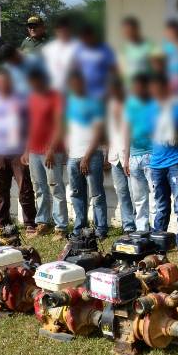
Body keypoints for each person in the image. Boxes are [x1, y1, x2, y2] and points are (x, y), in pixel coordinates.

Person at [0, 69, 37, 234]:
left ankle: (30, 223)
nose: (1, 85)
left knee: (25, 188)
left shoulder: (21, 99)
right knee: (0, 188)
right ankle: (2, 222)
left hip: (18, 152)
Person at [149, 73, 178, 249]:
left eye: (156, 87)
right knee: (160, 205)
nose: (153, 91)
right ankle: (159, 242)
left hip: (176, 161)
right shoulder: (151, 108)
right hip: (156, 163)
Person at [24, 69, 68, 239]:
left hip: (51, 151)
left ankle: (61, 227)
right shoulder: (32, 98)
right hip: (34, 151)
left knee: (56, 187)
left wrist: (51, 148)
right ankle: (43, 222)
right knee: (39, 187)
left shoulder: (56, 97)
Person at [65, 71, 107, 239]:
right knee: (76, 194)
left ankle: (100, 229)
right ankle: (80, 228)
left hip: (91, 155)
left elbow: (98, 132)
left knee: (96, 194)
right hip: (73, 156)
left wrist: (86, 157)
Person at [123, 73, 157, 232]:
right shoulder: (130, 105)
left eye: (139, 86)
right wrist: (126, 158)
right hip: (134, 157)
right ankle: (142, 230)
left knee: (155, 198)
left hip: (152, 155)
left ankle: (157, 230)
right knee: (139, 199)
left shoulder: (155, 104)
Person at [106, 78, 136, 234]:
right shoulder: (110, 106)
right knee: (122, 192)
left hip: (128, 155)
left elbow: (132, 134)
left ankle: (139, 225)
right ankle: (128, 226)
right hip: (114, 156)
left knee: (134, 193)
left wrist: (128, 158)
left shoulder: (131, 106)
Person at [74, 24, 117, 100]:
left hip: (101, 92)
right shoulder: (79, 50)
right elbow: (77, 68)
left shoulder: (105, 49)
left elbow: (113, 70)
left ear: (92, 36)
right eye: (82, 38)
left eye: (86, 37)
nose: (84, 40)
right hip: (84, 92)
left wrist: (110, 89)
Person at [42, 16, 78, 92]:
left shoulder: (78, 46)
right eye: (59, 29)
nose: (62, 31)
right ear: (55, 31)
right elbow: (45, 71)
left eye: (65, 29)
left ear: (70, 30)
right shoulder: (48, 49)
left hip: (72, 91)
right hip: (53, 90)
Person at [121, 16, 153, 81]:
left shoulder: (150, 46)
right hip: (129, 88)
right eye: (125, 31)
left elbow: (156, 69)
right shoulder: (124, 48)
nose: (127, 33)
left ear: (136, 29)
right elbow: (123, 71)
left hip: (146, 87)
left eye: (129, 30)